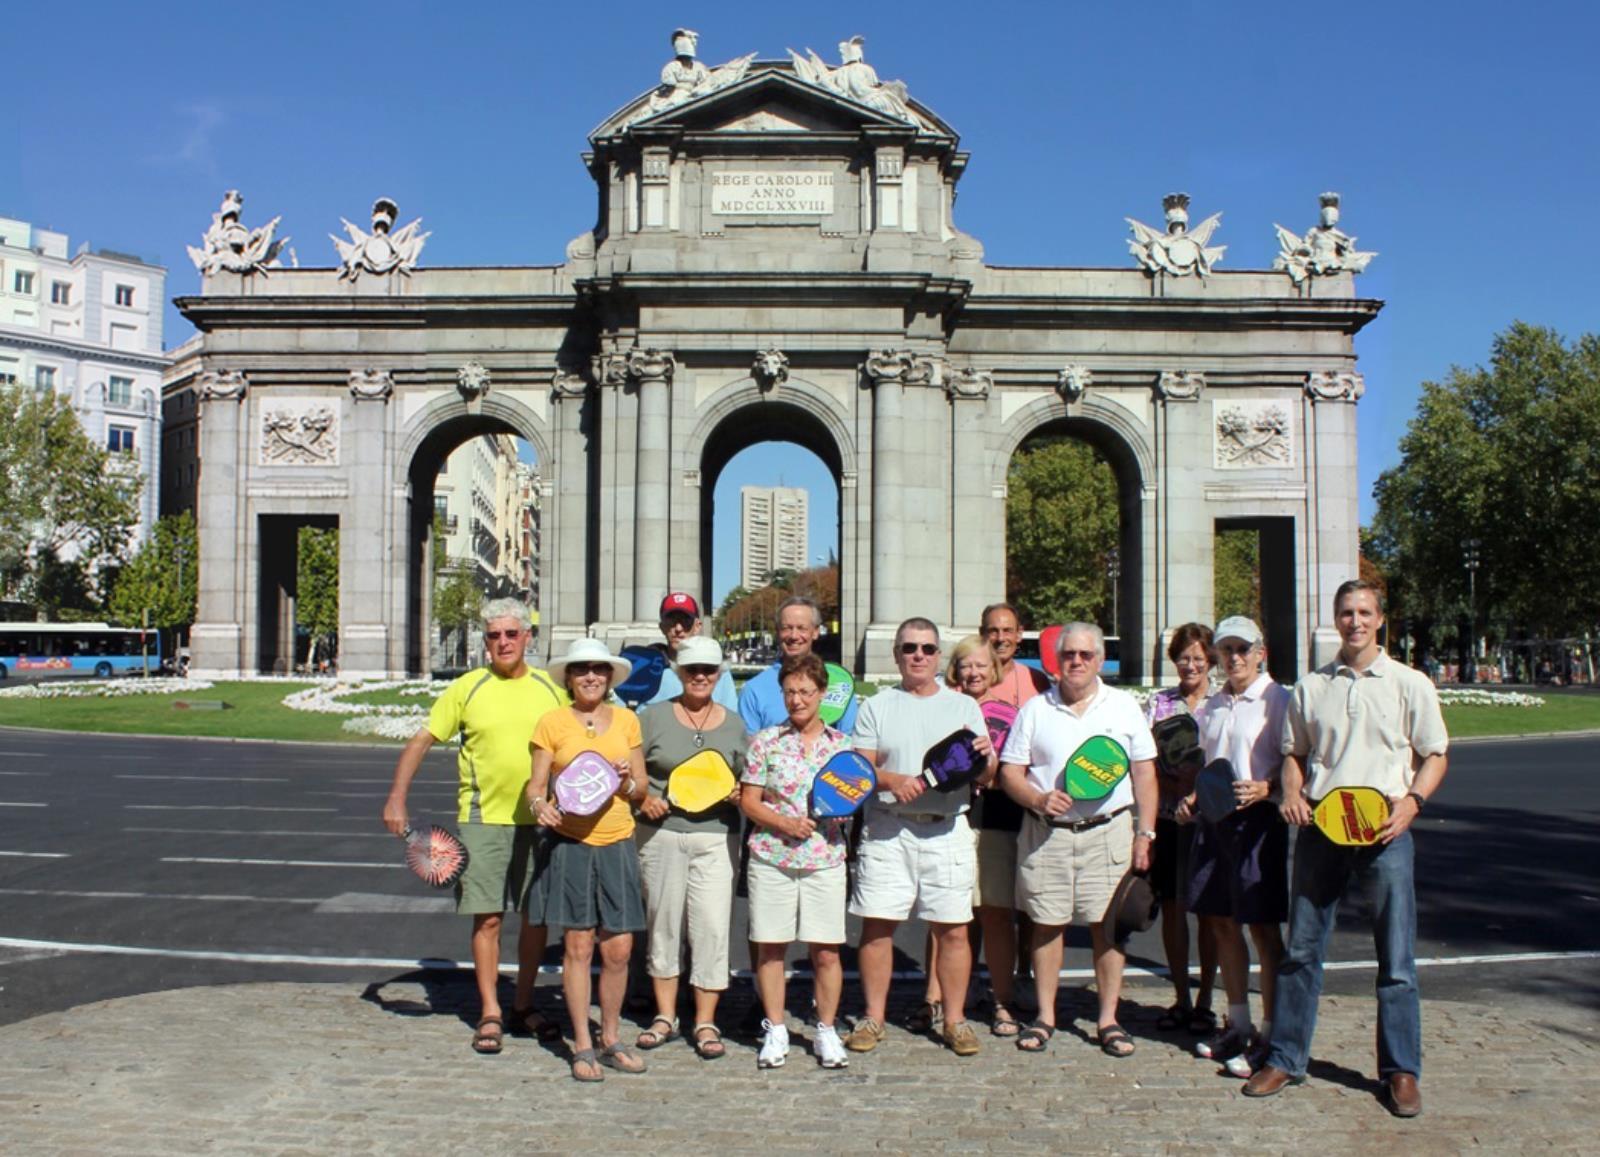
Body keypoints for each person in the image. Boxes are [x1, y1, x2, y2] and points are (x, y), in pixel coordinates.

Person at [1245, 581, 1449, 1118]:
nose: (1354, 621)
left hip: (1386, 833)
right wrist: (1290, 790)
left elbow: (1435, 754)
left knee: (1397, 959)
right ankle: (1286, 1058)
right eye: (1345, 613)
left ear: (1381, 619)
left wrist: (1413, 803)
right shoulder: (1313, 687)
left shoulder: (1411, 683)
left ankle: (1400, 1070)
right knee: (1301, 953)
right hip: (1321, 831)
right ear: (1335, 620)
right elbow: (1295, 753)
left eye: (1364, 612)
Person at [381, 598, 565, 1054]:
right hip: (483, 817)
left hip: (540, 820)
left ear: (527, 637)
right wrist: (396, 798)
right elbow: (423, 739)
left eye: (510, 634)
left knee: (535, 920)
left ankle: (523, 1004)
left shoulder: (550, 688)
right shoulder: (468, 687)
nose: (503, 642)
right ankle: (490, 1011)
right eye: (494, 635)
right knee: (488, 918)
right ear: (486, 642)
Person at [998, 623, 1158, 1058]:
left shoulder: (1124, 707)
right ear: (1057, 659)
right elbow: (1010, 771)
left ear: (1100, 659)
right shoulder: (1036, 709)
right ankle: (1046, 1016)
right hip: (1047, 834)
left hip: (1109, 833)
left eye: (1086, 655)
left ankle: (1108, 1019)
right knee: (1046, 926)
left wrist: (1146, 832)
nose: (1076, 662)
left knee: (1108, 930)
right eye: (1069, 654)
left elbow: (1145, 772)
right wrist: (1037, 797)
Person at [845, 618, 993, 1058]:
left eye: (927, 649)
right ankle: (873, 1017)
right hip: (889, 827)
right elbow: (860, 768)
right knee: (877, 927)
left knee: (952, 930)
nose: (918, 656)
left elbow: (986, 773)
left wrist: (988, 760)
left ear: (938, 656)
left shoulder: (964, 707)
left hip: (946, 828)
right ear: (896, 655)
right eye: (909, 648)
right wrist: (893, 779)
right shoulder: (876, 705)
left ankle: (954, 1020)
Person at [526, 638, 650, 1082]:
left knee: (618, 948)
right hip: (571, 844)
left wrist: (626, 786)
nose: (591, 676)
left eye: (599, 669)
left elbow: (641, 786)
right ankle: (582, 1043)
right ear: (569, 678)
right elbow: (535, 786)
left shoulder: (627, 721)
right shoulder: (552, 723)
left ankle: (611, 1036)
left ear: (610, 676)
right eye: (582, 670)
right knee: (577, 945)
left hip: (617, 841)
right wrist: (541, 807)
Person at [1183, 617, 1290, 1078]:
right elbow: (1209, 765)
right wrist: (1193, 797)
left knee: (1263, 931)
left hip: (1258, 823)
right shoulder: (1215, 705)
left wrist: (1268, 789)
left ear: (1261, 651)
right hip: (1215, 821)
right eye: (1226, 649)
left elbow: (1296, 761)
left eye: (1242, 648)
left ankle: (1272, 1032)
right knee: (1221, 923)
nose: (1234, 657)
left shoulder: (1279, 699)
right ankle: (1238, 1023)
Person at [633, 636, 745, 1060]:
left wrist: (740, 792)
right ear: (678, 671)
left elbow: (750, 777)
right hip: (660, 834)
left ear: (719, 674)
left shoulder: (734, 723)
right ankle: (665, 1016)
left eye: (709, 670)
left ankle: (705, 1020)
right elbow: (630, 774)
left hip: (717, 835)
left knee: (712, 927)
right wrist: (642, 798)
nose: (700, 676)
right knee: (663, 923)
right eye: (692, 669)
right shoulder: (652, 717)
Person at [740, 653, 854, 1070]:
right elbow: (750, 801)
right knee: (771, 948)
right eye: (790, 692)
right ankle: (775, 1028)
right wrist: (785, 822)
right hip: (773, 856)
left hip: (825, 857)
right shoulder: (766, 742)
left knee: (826, 951)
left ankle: (825, 1030)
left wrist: (842, 811)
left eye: (806, 691)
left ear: (822, 694)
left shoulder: (841, 746)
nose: (797, 700)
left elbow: (851, 797)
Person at [947, 634, 1027, 1038]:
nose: (974, 672)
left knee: (995, 912)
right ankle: (946, 1001)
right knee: (951, 918)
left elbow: (1013, 771)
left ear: (992, 669)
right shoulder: (943, 710)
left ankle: (1002, 999)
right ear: (955, 671)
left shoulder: (1010, 713)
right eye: (966, 665)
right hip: (950, 819)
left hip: (996, 817)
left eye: (981, 665)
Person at [1144, 623, 1221, 1037]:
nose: (1190, 665)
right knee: (1172, 909)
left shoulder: (1222, 702)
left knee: (1209, 913)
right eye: (1183, 657)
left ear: (1210, 660)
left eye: (1198, 657)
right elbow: (1143, 759)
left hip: (1210, 820)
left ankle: (1206, 999)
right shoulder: (1159, 703)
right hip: (1170, 818)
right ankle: (1180, 996)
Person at [737, 596, 859, 733]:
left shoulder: (839, 684)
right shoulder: (753, 690)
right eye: (786, 628)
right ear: (777, 632)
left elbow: (850, 743)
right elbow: (747, 747)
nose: (794, 636)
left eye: (802, 628)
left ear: (816, 632)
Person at [639, 592, 738, 709]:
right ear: (662, 627)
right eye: (671, 621)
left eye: (685, 621)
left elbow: (729, 718)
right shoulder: (643, 670)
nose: (678, 628)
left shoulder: (718, 670)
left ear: (697, 626)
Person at [980, 602, 1050, 705]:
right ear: (982, 634)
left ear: (1019, 634)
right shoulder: (970, 678)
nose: (1001, 638)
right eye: (993, 631)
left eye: (1007, 631)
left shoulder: (1037, 680)